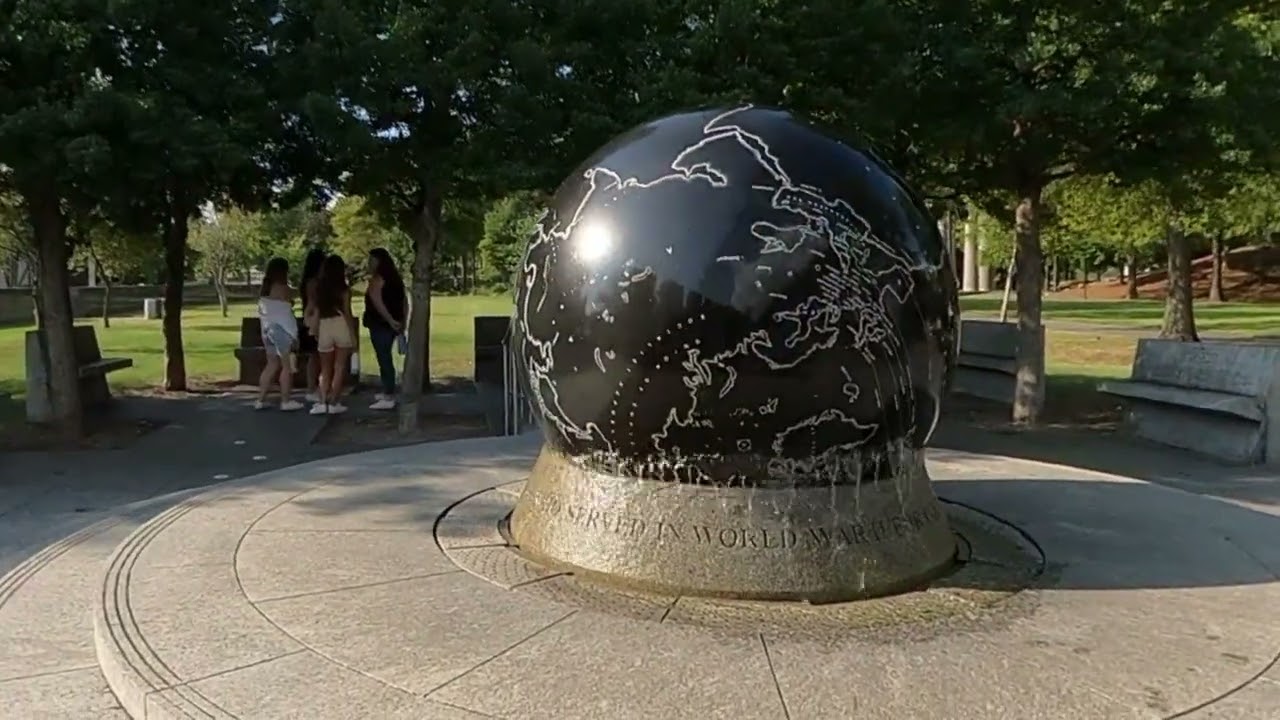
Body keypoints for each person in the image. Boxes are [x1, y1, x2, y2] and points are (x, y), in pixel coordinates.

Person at [254, 257, 304, 411]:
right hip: (283, 331)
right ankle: (286, 401)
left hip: (267, 331)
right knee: (287, 367)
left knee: (271, 365)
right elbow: (293, 297)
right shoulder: (283, 289)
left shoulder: (264, 290)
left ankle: (260, 400)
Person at [310, 254, 356, 415]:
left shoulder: (319, 289)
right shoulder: (344, 290)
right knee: (339, 367)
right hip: (341, 324)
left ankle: (322, 401)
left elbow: (316, 311)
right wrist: (353, 335)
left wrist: (315, 329)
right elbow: (347, 313)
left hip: (325, 325)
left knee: (325, 368)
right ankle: (334, 402)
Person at [363, 247, 407, 411]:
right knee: (386, 357)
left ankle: (389, 394)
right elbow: (404, 302)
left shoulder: (377, 280)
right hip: (395, 323)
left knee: (384, 359)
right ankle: (388, 390)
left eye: (372, 260)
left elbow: (377, 302)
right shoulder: (396, 279)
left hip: (380, 323)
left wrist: (389, 320)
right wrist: (402, 321)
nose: (369, 264)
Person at [298, 248, 326, 403]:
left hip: (312, 320)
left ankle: (314, 387)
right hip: (315, 320)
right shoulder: (313, 283)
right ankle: (312, 388)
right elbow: (313, 302)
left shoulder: (309, 281)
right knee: (316, 356)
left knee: (316, 356)